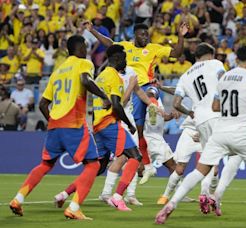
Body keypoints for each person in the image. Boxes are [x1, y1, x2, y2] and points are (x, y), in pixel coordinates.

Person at [155, 45, 246, 224]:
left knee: (200, 170)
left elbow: (214, 105)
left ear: (236, 59)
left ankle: (170, 205)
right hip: (238, 131)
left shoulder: (219, 78)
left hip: (213, 129)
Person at [9, 35, 111, 220]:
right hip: (73, 122)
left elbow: (42, 104)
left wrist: (53, 121)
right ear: (79, 48)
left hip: (55, 125)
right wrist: (104, 96)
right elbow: (86, 81)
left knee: (45, 164)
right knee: (93, 164)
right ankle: (73, 207)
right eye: (85, 46)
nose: (86, 50)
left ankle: (18, 199)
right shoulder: (83, 63)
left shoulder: (57, 71)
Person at [85, 21, 189, 184]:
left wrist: (181, 36)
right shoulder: (125, 46)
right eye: (142, 34)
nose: (145, 37)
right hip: (127, 92)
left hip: (145, 87)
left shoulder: (154, 48)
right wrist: (93, 31)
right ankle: (140, 168)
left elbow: (176, 53)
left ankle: (153, 109)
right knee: (136, 137)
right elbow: (109, 44)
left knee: (151, 92)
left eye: (147, 34)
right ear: (135, 35)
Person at [169, 43, 225, 212]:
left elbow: (176, 104)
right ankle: (206, 193)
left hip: (200, 120)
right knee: (219, 161)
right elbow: (224, 82)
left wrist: (190, 113)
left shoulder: (185, 76)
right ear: (210, 54)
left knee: (210, 160)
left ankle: (206, 195)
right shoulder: (215, 64)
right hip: (217, 115)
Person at [90, 44, 143, 211]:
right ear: (118, 59)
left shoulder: (100, 76)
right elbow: (117, 105)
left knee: (99, 165)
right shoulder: (114, 77)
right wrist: (129, 124)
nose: (126, 64)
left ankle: (67, 192)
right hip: (109, 123)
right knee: (135, 156)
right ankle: (118, 197)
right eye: (125, 60)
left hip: (98, 124)